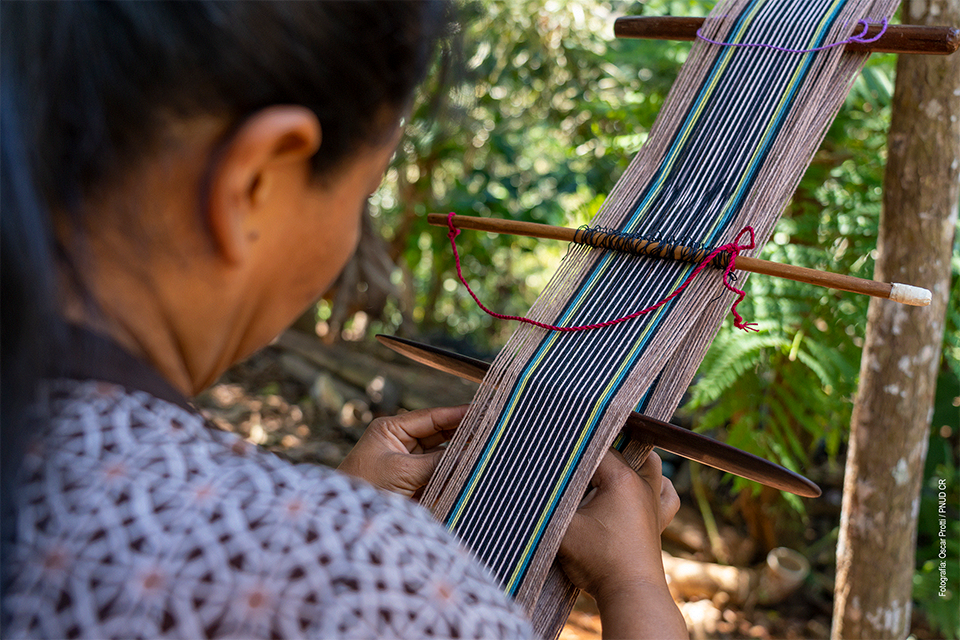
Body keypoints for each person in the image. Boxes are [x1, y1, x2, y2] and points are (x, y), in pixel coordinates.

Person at [0, 1, 687, 639]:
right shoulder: (373, 590)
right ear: (255, 184)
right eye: (364, 193)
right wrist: (632, 585)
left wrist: (317, 515)